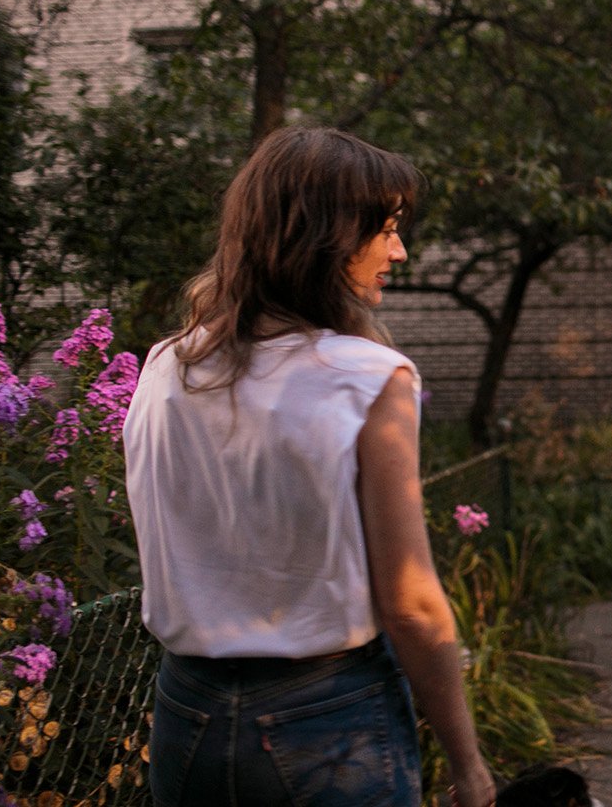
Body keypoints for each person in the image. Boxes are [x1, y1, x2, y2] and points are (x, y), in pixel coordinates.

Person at [124, 126, 497, 807]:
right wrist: (467, 762)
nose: (399, 250)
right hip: (325, 719)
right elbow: (412, 604)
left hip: (186, 715)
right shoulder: (368, 377)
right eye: (383, 230)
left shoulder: (165, 368)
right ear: (325, 236)